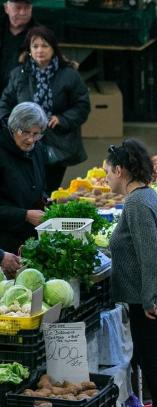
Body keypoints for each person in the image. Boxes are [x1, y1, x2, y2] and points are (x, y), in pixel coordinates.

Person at [105, 140, 157, 407]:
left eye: (107, 171)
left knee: (153, 365)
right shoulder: (148, 196)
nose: (106, 176)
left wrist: (149, 298)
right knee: (150, 361)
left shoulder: (136, 203)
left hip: (150, 300)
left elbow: (151, 254)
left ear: (120, 171)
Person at [0, 26, 90, 194]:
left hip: (57, 142)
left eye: (45, 45)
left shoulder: (69, 75)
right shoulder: (18, 74)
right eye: (35, 46)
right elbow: (4, 103)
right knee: (27, 187)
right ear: (29, 50)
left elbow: (82, 105)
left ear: (53, 49)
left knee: (50, 190)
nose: (40, 50)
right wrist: (10, 126)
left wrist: (62, 119)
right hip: (24, 140)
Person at [0, 101, 46, 254]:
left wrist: (45, 200)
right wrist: (24, 215)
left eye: (36, 134)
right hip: (5, 242)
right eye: (25, 132)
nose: (30, 139)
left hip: (29, 238)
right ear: (12, 128)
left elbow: (38, 185)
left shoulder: (36, 148)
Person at [0, 0, 36, 92]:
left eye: (27, 8)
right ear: (6, 8)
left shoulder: (40, 35)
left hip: (23, 94)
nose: (22, 12)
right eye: (18, 8)